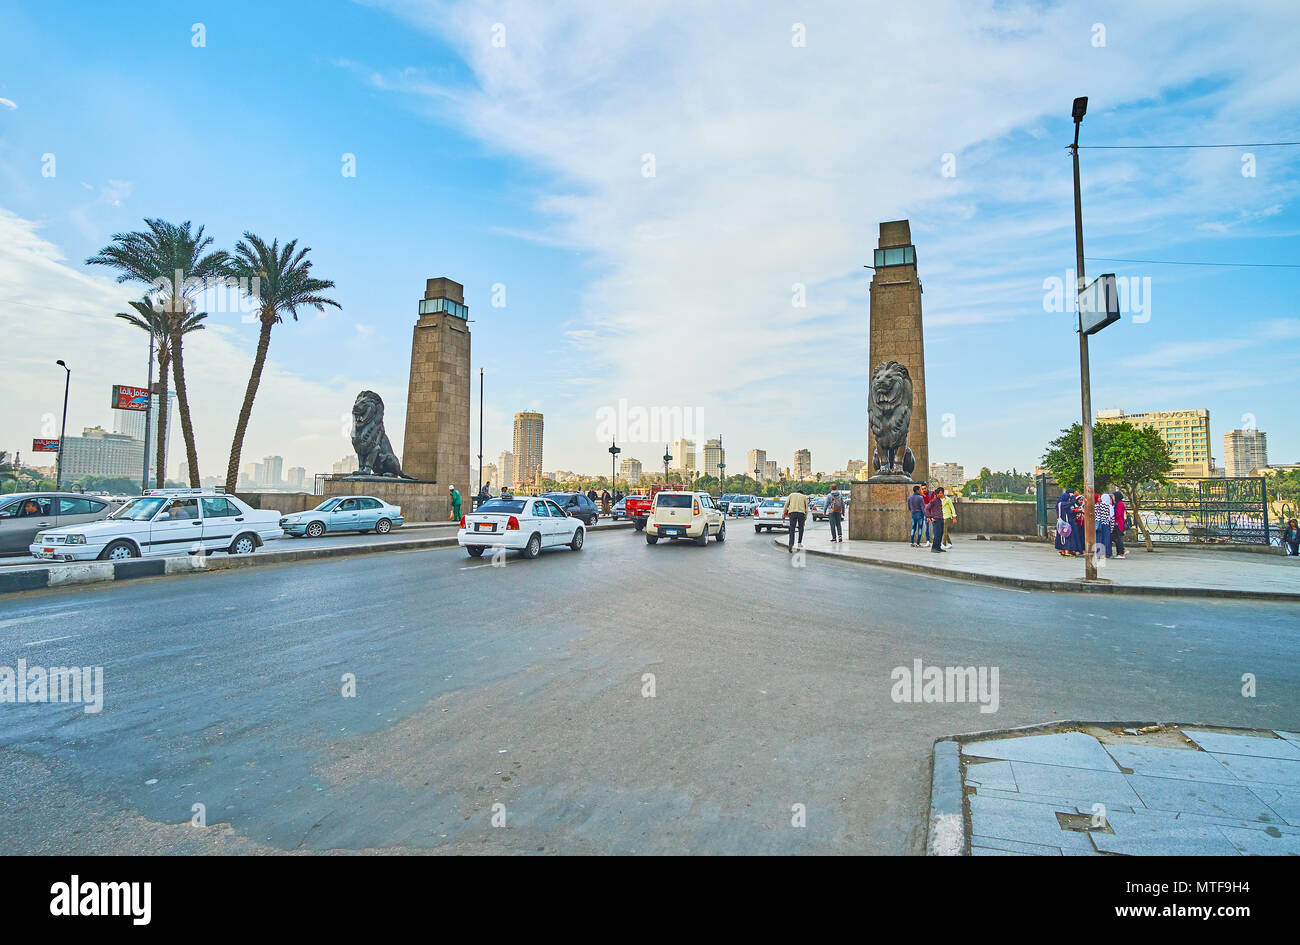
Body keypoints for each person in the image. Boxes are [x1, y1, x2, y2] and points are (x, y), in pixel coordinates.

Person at [783, 487, 809, 552]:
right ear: (802, 493)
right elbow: (806, 509)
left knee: (792, 529)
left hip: (792, 513)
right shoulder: (804, 497)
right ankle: (799, 543)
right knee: (801, 529)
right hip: (801, 513)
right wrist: (805, 518)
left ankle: (791, 545)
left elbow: (786, 504)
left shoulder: (791, 495)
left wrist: (784, 512)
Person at [1054, 489, 1074, 556]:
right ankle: (1066, 552)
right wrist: (1072, 497)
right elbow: (1073, 502)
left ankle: (1062, 550)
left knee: (1060, 535)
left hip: (1060, 523)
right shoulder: (1064, 504)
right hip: (1066, 523)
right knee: (1066, 536)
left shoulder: (1059, 504)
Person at [926, 487, 946, 552]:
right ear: (937, 494)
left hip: (941, 519)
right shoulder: (933, 501)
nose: (942, 494)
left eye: (942, 493)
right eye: (940, 493)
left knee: (940, 533)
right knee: (937, 534)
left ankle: (938, 547)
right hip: (936, 519)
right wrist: (930, 517)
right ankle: (934, 548)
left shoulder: (939, 500)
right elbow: (926, 509)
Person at [1095, 492, 1114, 559]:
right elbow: (1111, 518)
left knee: (1098, 538)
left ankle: (1099, 553)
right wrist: (1111, 527)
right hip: (1106, 524)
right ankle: (1105, 554)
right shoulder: (1109, 507)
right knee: (1106, 539)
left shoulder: (1097, 505)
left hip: (1098, 524)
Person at [1112, 490, 1127, 558]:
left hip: (1118, 523)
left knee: (1118, 538)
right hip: (1118, 522)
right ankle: (1121, 551)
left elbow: (1118, 514)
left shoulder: (1119, 504)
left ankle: (1121, 552)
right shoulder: (1120, 503)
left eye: (1114, 496)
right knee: (1117, 538)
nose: (1113, 497)